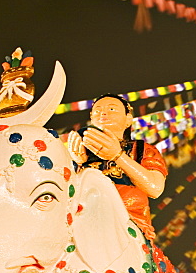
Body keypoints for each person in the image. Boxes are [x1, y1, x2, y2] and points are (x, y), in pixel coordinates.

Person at [68, 94, 167, 241]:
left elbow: (155, 188)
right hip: (84, 220)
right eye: (97, 110)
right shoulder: (81, 152)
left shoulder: (141, 149)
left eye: (112, 109)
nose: (103, 113)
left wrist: (118, 156)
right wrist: (77, 164)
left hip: (129, 223)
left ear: (128, 119)